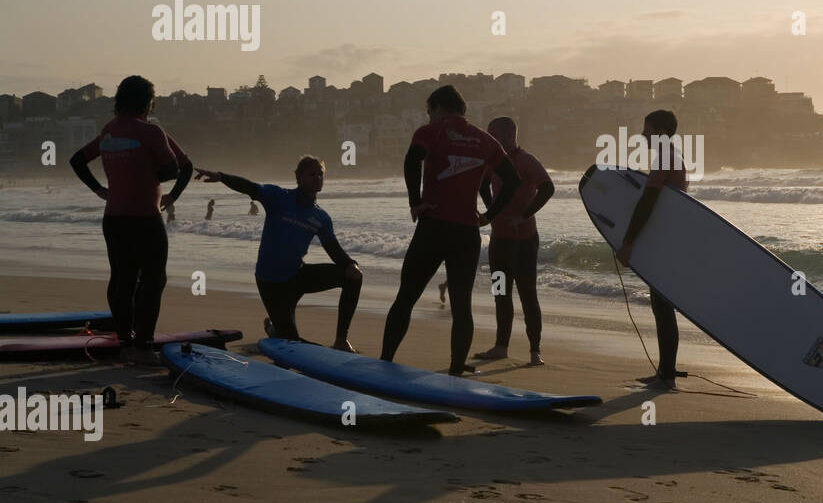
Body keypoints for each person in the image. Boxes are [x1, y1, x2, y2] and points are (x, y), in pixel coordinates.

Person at [381, 85, 520, 375]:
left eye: (429, 111)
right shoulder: (486, 139)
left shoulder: (430, 132)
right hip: (466, 233)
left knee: (407, 295)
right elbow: (512, 180)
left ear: (439, 108)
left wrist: (415, 202)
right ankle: (456, 368)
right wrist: (490, 215)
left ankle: (385, 361)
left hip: (434, 227)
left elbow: (411, 160)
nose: (428, 117)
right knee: (461, 304)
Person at [68, 75, 192, 363]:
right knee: (153, 279)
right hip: (145, 219)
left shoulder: (109, 132)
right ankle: (144, 347)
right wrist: (169, 194)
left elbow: (76, 160)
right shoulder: (151, 132)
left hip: (114, 218)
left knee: (121, 280)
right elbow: (174, 169)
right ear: (147, 101)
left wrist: (101, 189)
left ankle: (125, 344)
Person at [194, 156, 361, 351]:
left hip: (297, 276)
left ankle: (341, 340)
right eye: (311, 174)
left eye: (321, 174)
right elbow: (249, 187)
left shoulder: (321, 218)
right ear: (298, 177)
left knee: (353, 277)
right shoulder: (278, 197)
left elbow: (335, 253)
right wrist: (222, 177)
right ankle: (276, 330)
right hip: (272, 284)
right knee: (292, 345)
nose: (317, 178)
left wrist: (352, 264)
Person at [472, 117, 553, 366]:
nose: (488, 137)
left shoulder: (525, 160)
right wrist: (491, 213)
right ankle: (501, 346)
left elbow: (548, 188)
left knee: (528, 293)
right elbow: (483, 185)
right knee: (500, 291)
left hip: (525, 239)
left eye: (492, 133)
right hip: (500, 239)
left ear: (508, 135)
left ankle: (534, 351)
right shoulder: (494, 162)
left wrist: (524, 215)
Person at [616, 110, 687, 386]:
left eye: (646, 130)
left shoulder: (666, 157)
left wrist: (628, 242)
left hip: (667, 244)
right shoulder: (671, 155)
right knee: (661, 305)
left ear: (659, 132)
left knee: (662, 305)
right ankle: (665, 372)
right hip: (668, 240)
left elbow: (648, 202)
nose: (643, 136)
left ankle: (667, 375)